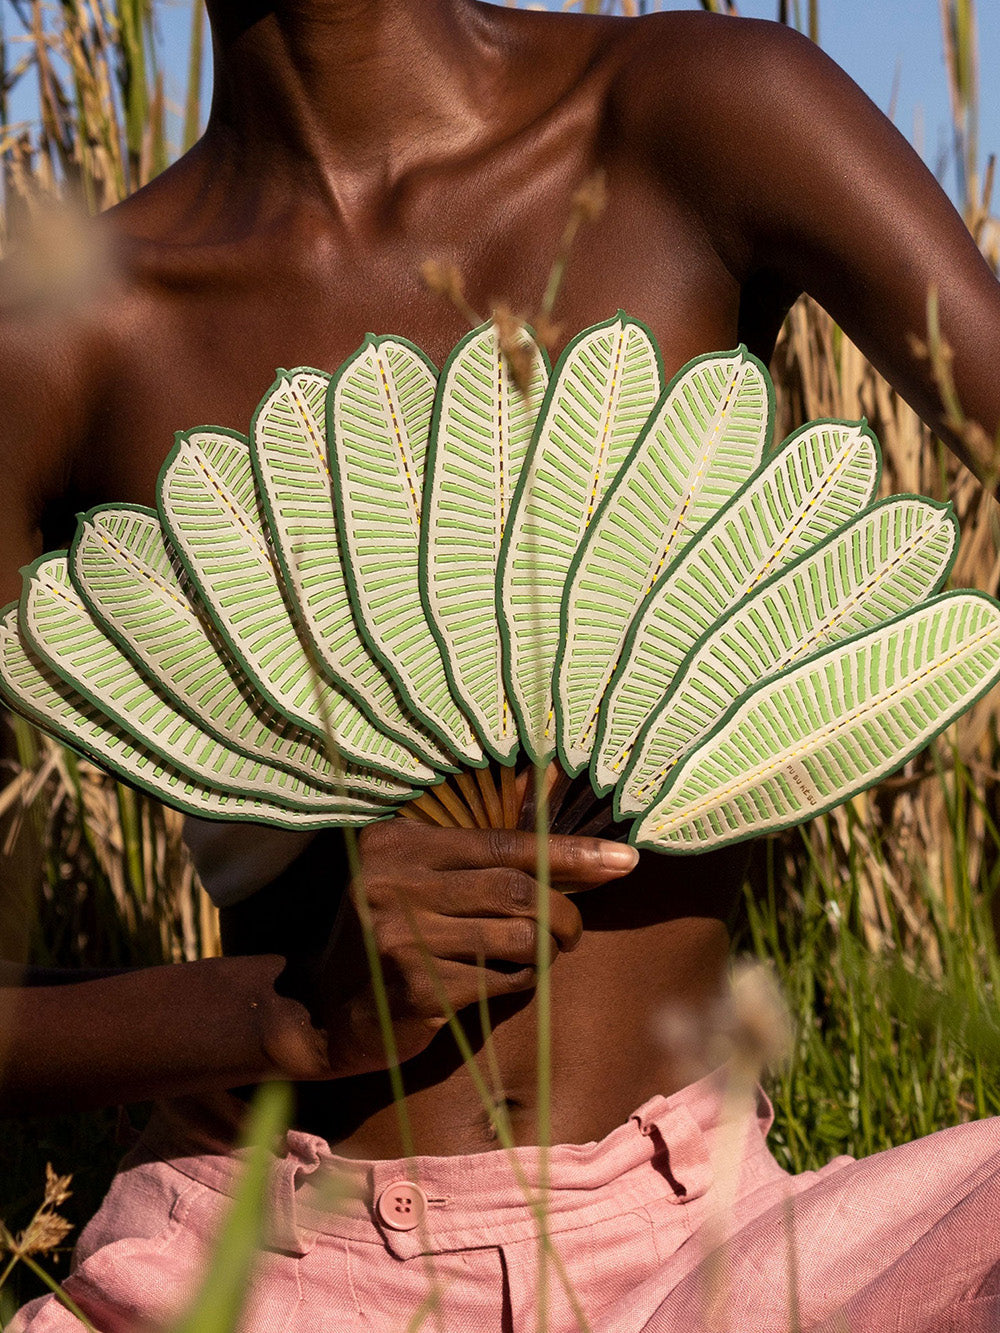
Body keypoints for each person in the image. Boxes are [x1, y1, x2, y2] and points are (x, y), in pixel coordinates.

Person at [3, 2, 1000, 1329]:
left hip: (722, 1258)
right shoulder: (67, 327)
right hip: (273, 1264)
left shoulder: (687, 112)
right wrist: (289, 1011)